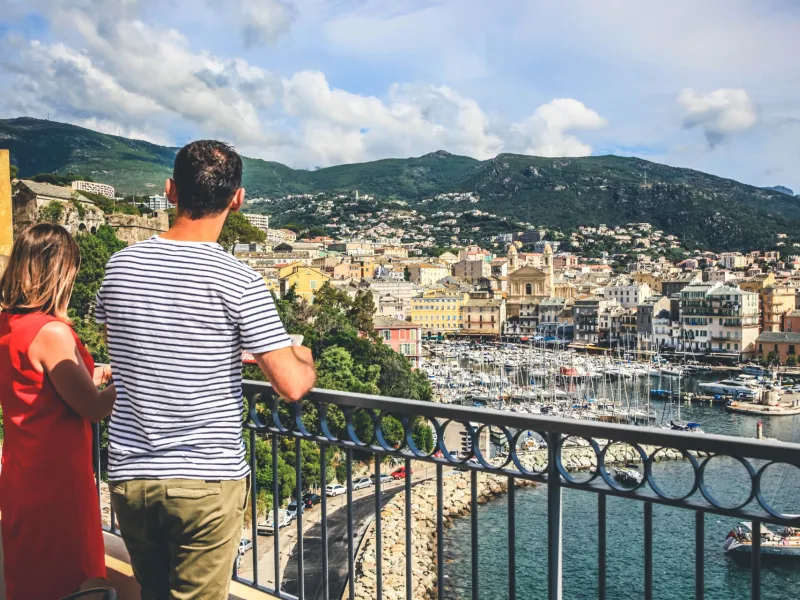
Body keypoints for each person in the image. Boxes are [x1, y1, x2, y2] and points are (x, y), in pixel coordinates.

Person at [97, 140, 317, 599]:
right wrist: (305, 355)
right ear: (237, 199)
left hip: (131, 477)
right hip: (205, 480)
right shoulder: (239, 280)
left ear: (170, 190)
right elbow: (292, 386)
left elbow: (127, 344)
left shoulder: (118, 267)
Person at [0, 223, 116, 599]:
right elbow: (94, 407)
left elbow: (40, 387)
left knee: (32, 581)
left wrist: (94, 373)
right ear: (59, 272)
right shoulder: (51, 332)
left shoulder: (8, 325)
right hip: (57, 482)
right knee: (66, 583)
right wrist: (133, 378)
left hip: (21, 473)